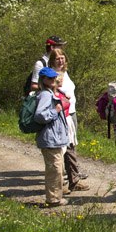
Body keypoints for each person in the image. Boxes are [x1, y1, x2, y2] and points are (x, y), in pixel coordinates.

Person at [49, 48, 89, 192]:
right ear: (52, 61)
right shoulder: (52, 75)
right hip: (61, 115)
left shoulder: (64, 73)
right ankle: (60, 184)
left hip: (70, 113)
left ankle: (73, 180)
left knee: (70, 147)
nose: (60, 60)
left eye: (62, 57)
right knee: (61, 149)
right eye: (57, 58)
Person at [32, 67, 70, 207]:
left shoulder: (49, 93)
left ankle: (55, 197)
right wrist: (56, 110)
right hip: (50, 139)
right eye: (50, 78)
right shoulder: (45, 95)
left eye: (54, 77)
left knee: (57, 170)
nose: (53, 80)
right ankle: (53, 199)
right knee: (55, 170)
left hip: (54, 138)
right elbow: (40, 115)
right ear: (43, 80)